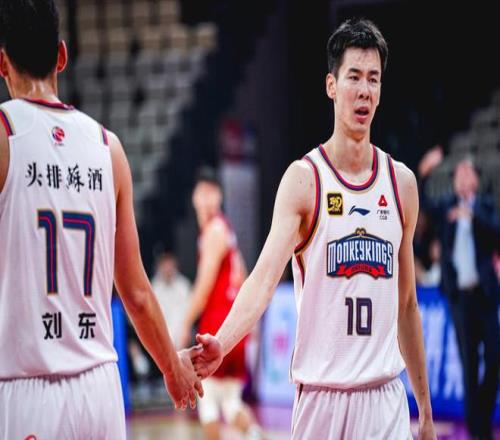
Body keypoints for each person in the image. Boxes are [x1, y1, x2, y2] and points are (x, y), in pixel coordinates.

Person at [191, 18, 436, 439]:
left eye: (373, 79)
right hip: (322, 400)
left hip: (383, 399)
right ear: (331, 86)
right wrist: (222, 343)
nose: (364, 90)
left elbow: (408, 305)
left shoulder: (402, 185)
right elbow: (263, 280)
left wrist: (426, 411)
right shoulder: (305, 180)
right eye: (354, 77)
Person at [0, 1, 202, 438]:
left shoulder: (5, 134)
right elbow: (136, 292)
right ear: (62, 55)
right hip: (100, 389)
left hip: (27, 389)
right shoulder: (108, 147)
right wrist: (171, 367)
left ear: (2, 63)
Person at [419, 146, 500, 439]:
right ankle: (477, 430)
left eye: (467, 173)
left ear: (476, 180)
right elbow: (423, 205)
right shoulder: (446, 208)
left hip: (485, 295)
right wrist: (424, 175)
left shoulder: (485, 206)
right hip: (460, 299)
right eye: (458, 175)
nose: (462, 178)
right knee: (468, 363)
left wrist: (471, 215)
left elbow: (496, 231)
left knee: (494, 357)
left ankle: (482, 417)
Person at [181, 167, 263, 440]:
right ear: (194, 197)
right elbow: (244, 278)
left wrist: (184, 324)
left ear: (218, 197)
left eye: (210, 193)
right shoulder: (227, 231)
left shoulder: (214, 230)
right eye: (201, 193)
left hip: (216, 328)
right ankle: (255, 434)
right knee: (230, 403)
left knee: (207, 405)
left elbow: (203, 288)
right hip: (235, 331)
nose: (205, 199)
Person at [152, 251, 192, 348]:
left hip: (181, 339)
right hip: (160, 341)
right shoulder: (154, 287)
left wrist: (186, 331)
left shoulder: (184, 286)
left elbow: (189, 314)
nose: (167, 268)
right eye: (164, 264)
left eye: (169, 264)